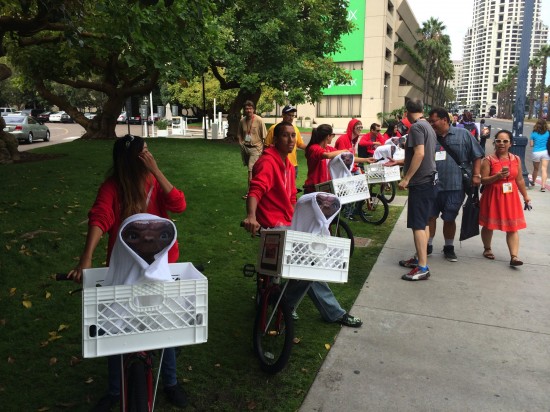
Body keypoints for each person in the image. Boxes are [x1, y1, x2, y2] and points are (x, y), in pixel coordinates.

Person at [67, 134, 188, 411]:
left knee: (166, 321)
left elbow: (179, 204)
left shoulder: (154, 182)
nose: (149, 156)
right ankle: (114, 389)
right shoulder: (113, 187)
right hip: (124, 268)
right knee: (115, 325)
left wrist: (157, 170)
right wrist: (86, 258)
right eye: (144, 154)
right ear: (131, 161)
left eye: (149, 152)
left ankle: (170, 381)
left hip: (160, 266)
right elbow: (100, 216)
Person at [243, 122, 362, 327]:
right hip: (272, 227)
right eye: (285, 136)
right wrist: (251, 216)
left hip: (287, 223)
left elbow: (289, 198)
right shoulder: (268, 163)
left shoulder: (287, 164)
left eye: (293, 136)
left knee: (310, 262)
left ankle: (288, 304)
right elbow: (255, 191)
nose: (291, 140)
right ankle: (297, 306)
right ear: (275, 139)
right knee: (309, 264)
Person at [427, 108, 484, 261]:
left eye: (433, 121)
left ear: (444, 119)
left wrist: (477, 175)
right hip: (432, 185)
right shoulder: (430, 136)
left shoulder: (463, 134)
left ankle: (449, 247)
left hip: (456, 186)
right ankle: (427, 245)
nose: (431, 124)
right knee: (430, 217)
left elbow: (477, 155)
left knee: (449, 218)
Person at [397, 99, 438, 281]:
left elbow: (420, 153)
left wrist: (406, 178)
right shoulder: (428, 126)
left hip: (420, 182)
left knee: (418, 225)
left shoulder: (415, 128)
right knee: (424, 222)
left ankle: (422, 267)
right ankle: (418, 257)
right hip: (430, 180)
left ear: (407, 112)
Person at [479, 130, 530, 266]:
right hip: (493, 196)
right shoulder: (488, 160)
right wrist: (497, 177)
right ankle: (487, 248)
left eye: (505, 141)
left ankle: (514, 257)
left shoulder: (516, 159)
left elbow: (519, 180)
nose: (502, 144)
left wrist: (525, 196)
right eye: (499, 141)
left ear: (511, 143)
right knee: (489, 225)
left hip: (510, 196)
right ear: (495, 143)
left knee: (513, 227)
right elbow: (483, 180)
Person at [264, 105, 307, 187]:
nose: (291, 118)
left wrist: (310, 148)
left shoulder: (295, 129)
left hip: (293, 164)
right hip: (278, 163)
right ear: (283, 115)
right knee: (278, 187)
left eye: (292, 115)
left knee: (290, 187)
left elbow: (299, 144)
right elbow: (267, 146)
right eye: (289, 115)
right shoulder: (274, 128)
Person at [303, 124, 353, 193]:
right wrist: (344, 150)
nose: (333, 137)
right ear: (328, 136)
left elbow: (346, 158)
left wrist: (366, 159)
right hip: (313, 189)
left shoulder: (329, 149)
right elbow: (327, 155)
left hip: (326, 188)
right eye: (332, 135)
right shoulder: (314, 148)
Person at [237, 100, 267, 200]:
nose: (248, 110)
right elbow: (239, 134)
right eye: (246, 108)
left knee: (250, 170)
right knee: (254, 171)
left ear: (253, 109)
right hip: (245, 148)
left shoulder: (259, 120)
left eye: (250, 108)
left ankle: (250, 193)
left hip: (256, 149)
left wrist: (263, 151)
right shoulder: (242, 120)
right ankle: (261, 188)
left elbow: (264, 137)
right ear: (244, 110)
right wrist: (241, 143)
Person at [529, 118, 549, 192]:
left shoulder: (533, 133)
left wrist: (536, 142)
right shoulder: (548, 132)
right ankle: (543, 186)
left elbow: (531, 144)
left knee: (536, 169)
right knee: (544, 169)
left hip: (536, 152)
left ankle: (533, 182)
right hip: (545, 152)